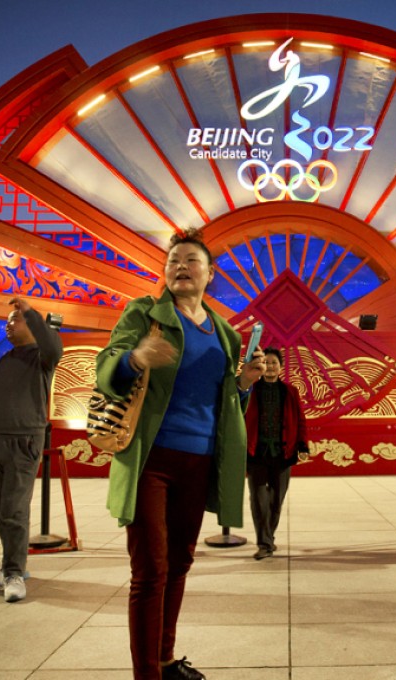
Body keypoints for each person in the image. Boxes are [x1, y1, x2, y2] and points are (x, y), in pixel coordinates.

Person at [96, 230, 264, 680]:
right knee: (150, 569)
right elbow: (105, 372)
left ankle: (166, 660)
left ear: (210, 274)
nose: (180, 267)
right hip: (151, 460)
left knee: (181, 562)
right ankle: (146, 674)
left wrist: (244, 383)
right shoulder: (144, 314)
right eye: (173, 261)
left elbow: (226, 403)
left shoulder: (225, 333)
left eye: (191, 260)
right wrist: (134, 358)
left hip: (200, 461)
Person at [0, 297, 63, 603]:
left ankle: (13, 573)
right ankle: (12, 565)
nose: (8, 325)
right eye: (8, 321)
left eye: (14, 320)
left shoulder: (42, 357)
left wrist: (29, 310)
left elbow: (53, 345)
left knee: (14, 509)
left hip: (24, 440)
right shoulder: (6, 358)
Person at [244, 347, 308, 560]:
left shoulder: (290, 391)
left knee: (276, 500)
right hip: (257, 454)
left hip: (283, 454)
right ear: (261, 366)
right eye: (267, 363)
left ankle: (268, 537)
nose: (270, 366)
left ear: (280, 367)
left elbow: (300, 419)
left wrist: (303, 445)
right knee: (259, 500)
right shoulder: (250, 390)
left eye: (274, 363)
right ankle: (264, 544)